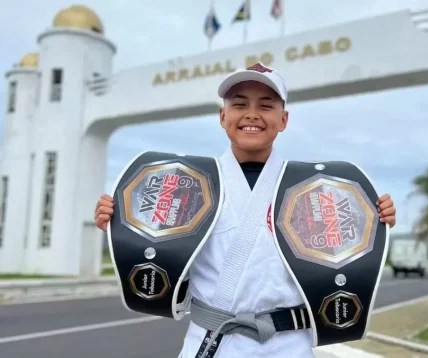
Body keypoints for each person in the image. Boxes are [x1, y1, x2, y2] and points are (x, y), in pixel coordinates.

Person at [94, 63, 397, 358]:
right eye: (239, 104)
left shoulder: (315, 190)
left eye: (266, 106)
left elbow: (343, 245)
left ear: (284, 119)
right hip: (211, 343)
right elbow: (168, 266)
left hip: (286, 346)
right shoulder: (188, 185)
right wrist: (120, 223)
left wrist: (373, 216)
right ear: (223, 116)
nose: (252, 114)